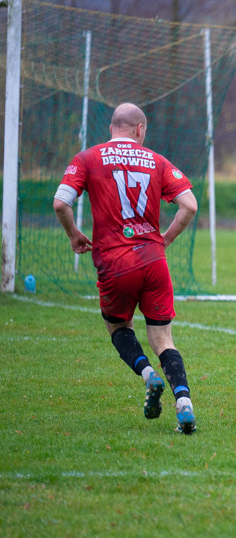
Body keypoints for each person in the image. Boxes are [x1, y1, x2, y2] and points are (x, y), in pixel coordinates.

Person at [53, 103, 199, 434]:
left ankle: (149, 375)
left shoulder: (88, 158)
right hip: (152, 260)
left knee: (119, 328)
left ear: (112, 129)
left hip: (114, 262)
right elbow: (189, 205)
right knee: (163, 337)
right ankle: (185, 404)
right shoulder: (157, 161)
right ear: (140, 129)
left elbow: (61, 203)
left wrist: (74, 234)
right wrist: (163, 240)